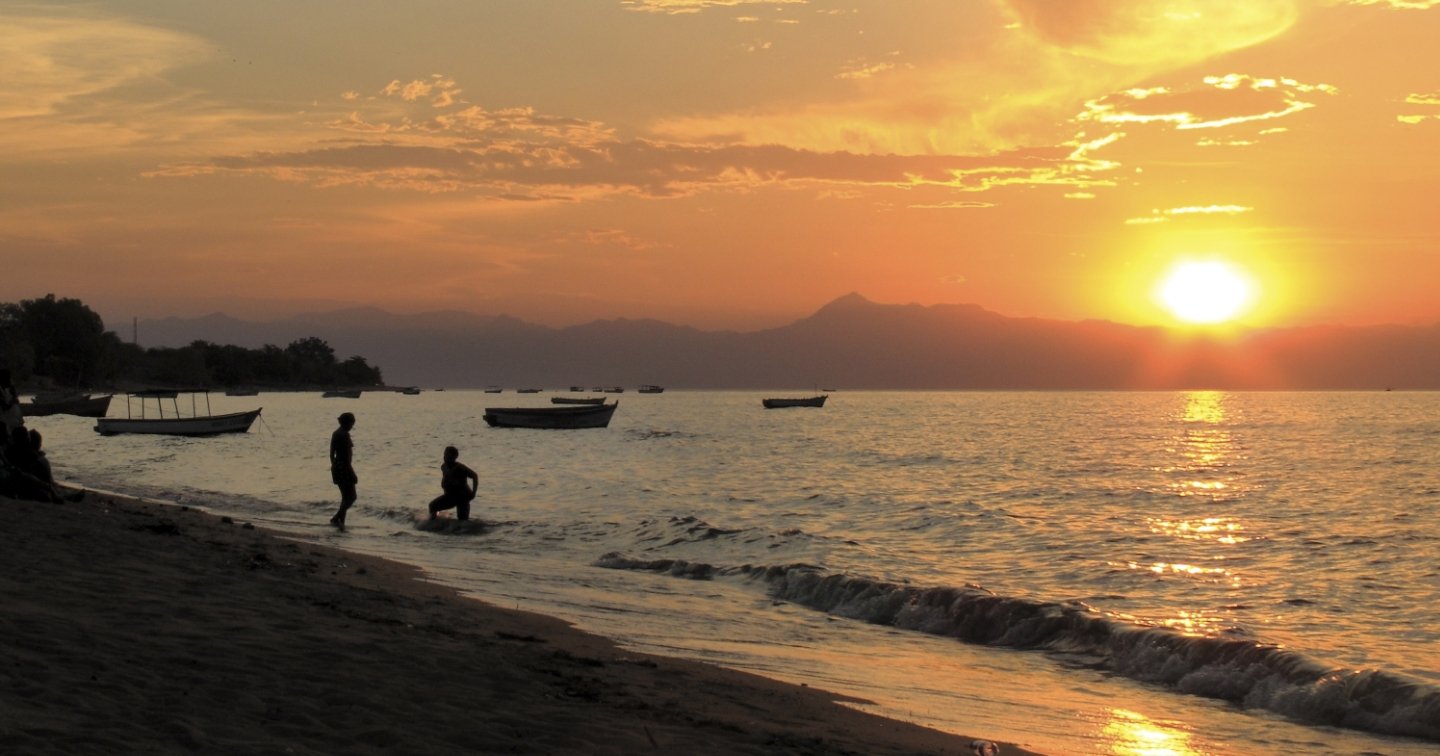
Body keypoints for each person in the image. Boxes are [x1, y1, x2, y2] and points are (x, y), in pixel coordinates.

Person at [427, 445, 478, 521]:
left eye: (448, 456)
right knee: (432, 506)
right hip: (450, 496)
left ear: (454, 457)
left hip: (462, 497)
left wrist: (473, 493)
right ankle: (433, 524)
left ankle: (465, 529)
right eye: (445, 455)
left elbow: (474, 476)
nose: (445, 457)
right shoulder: (444, 467)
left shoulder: (460, 468)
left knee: (463, 521)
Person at [329, 412, 357, 527]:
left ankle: (341, 521)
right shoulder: (344, 435)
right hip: (344, 468)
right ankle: (336, 518)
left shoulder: (335, 433)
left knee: (345, 497)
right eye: (351, 423)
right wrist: (352, 473)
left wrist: (334, 466)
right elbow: (346, 458)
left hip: (336, 467)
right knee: (352, 497)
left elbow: (331, 454)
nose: (352, 426)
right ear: (347, 423)